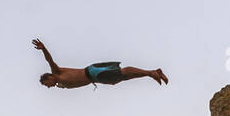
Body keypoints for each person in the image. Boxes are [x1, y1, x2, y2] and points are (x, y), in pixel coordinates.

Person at [33, 38, 167, 89]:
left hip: (92, 72)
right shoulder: (62, 84)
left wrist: (43, 48)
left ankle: (151, 73)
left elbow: (49, 60)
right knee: (120, 78)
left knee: (122, 73)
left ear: (49, 76)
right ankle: (153, 73)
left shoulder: (57, 72)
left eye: (47, 84)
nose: (49, 87)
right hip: (95, 78)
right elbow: (70, 84)